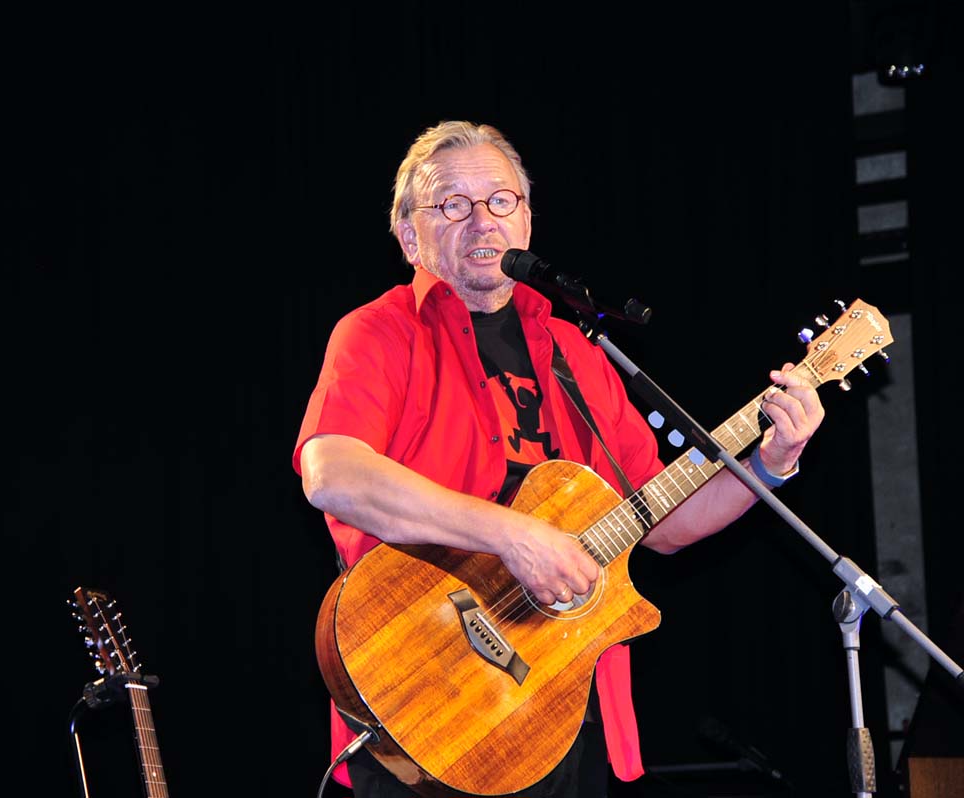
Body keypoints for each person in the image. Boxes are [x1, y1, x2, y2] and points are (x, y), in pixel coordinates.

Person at [292, 120, 824, 798]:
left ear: (528, 220)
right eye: (452, 203)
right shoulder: (379, 332)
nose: (481, 220)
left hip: (563, 708)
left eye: (501, 200)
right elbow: (333, 474)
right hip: (426, 699)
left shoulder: (578, 354)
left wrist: (773, 460)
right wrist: (511, 536)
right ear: (408, 237)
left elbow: (660, 517)